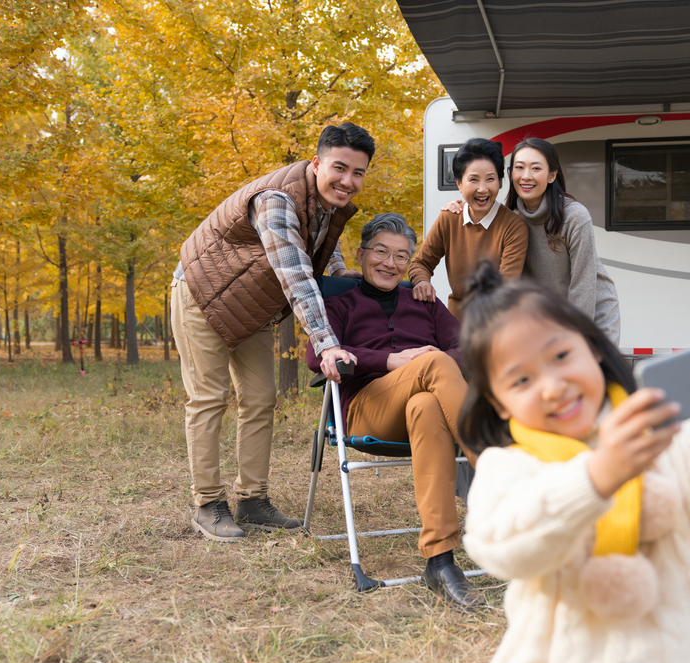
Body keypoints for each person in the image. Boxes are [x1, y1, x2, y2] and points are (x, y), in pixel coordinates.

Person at [456, 261, 690, 663]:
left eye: (561, 356)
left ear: (592, 347)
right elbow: (501, 545)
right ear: (499, 403)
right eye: (521, 380)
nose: (553, 386)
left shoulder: (666, 430)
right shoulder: (510, 466)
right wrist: (597, 476)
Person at [172, 123, 374, 543]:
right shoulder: (276, 201)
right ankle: (208, 504)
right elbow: (297, 276)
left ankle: (253, 500)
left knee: (261, 398)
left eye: (358, 173)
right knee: (209, 398)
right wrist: (328, 344)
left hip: (250, 302)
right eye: (339, 168)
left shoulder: (326, 200)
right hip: (202, 293)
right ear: (316, 162)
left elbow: (320, 240)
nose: (348, 181)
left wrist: (339, 271)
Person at [306, 213, 485, 609]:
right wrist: (391, 361)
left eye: (401, 256)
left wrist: (429, 358)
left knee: (425, 401)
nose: (390, 263)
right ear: (361, 253)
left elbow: (467, 346)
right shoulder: (339, 304)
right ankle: (499, 473)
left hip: (427, 411)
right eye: (381, 252)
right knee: (435, 363)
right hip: (370, 408)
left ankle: (439, 561)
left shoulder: (423, 301)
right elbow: (313, 356)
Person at [443, 138, 621, 342]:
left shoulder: (574, 217)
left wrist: (575, 338)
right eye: (519, 167)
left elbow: (583, 286)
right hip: (545, 319)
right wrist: (458, 206)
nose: (526, 176)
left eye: (536, 168)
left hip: (590, 316)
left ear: (552, 175)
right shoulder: (509, 217)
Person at [409, 138, 528, 319]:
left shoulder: (514, 227)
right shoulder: (449, 218)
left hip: (496, 322)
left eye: (490, 179)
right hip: (454, 324)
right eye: (473, 179)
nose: (483, 189)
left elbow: (505, 287)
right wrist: (422, 282)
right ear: (459, 183)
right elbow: (420, 263)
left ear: (500, 182)